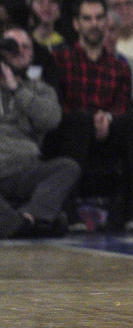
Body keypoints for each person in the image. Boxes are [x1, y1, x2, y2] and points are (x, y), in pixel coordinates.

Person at [45, 0, 133, 232]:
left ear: (106, 22)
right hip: (71, 133)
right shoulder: (59, 59)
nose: (94, 23)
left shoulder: (119, 67)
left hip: (108, 133)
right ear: (76, 24)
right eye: (87, 18)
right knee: (79, 120)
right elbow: (55, 104)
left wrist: (108, 118)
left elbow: (122, 105)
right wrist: (89, 118)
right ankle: (69, 212)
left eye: (99, 18)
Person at [0, 26, 79, 238]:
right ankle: (35, 223)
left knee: (67, 167)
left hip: (25, 172)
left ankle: (27, 219)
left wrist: (16, 89)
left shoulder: (40, 89)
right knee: (57, 220)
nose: (20, 51)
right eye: (12, 46)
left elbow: (51, 119)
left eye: (26, 47)